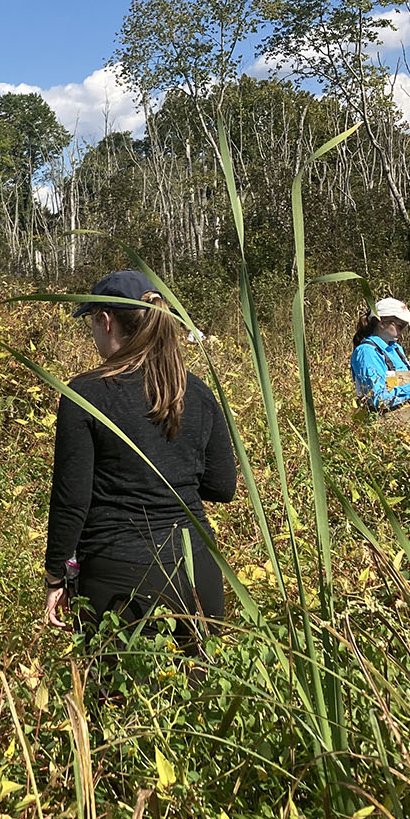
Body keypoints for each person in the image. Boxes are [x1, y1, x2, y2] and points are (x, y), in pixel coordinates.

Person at [45, 269, 237, 649]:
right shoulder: (194, 390)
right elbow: (222, 486)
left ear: (106, 319)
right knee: (200, 699)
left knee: (116, 702)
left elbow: (72, 502)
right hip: (196, 569)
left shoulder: (86, 394)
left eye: (92, 322)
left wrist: (55, 577)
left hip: (119, 576)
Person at [351, 297, 410, 418]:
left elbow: (396, 385)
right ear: (382, 323)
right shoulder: (367, 352)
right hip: (383, 426)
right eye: (401, 326)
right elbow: (378, 399)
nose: (403, 330)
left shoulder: (395, 348)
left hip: (407, 420)